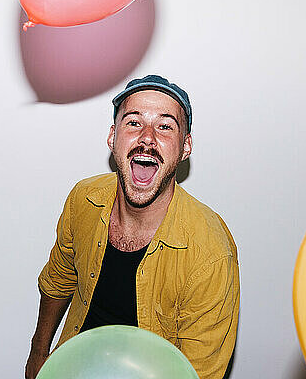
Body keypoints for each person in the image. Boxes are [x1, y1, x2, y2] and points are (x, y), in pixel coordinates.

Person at [25, 75, 240, 379]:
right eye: (134, 122)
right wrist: (38, 353)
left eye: (165, 126)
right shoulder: (83, 200)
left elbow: (199, 373)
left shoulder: (211, 254)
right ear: (113, 137)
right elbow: (57, 281)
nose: (148, 138)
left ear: (185, 147)